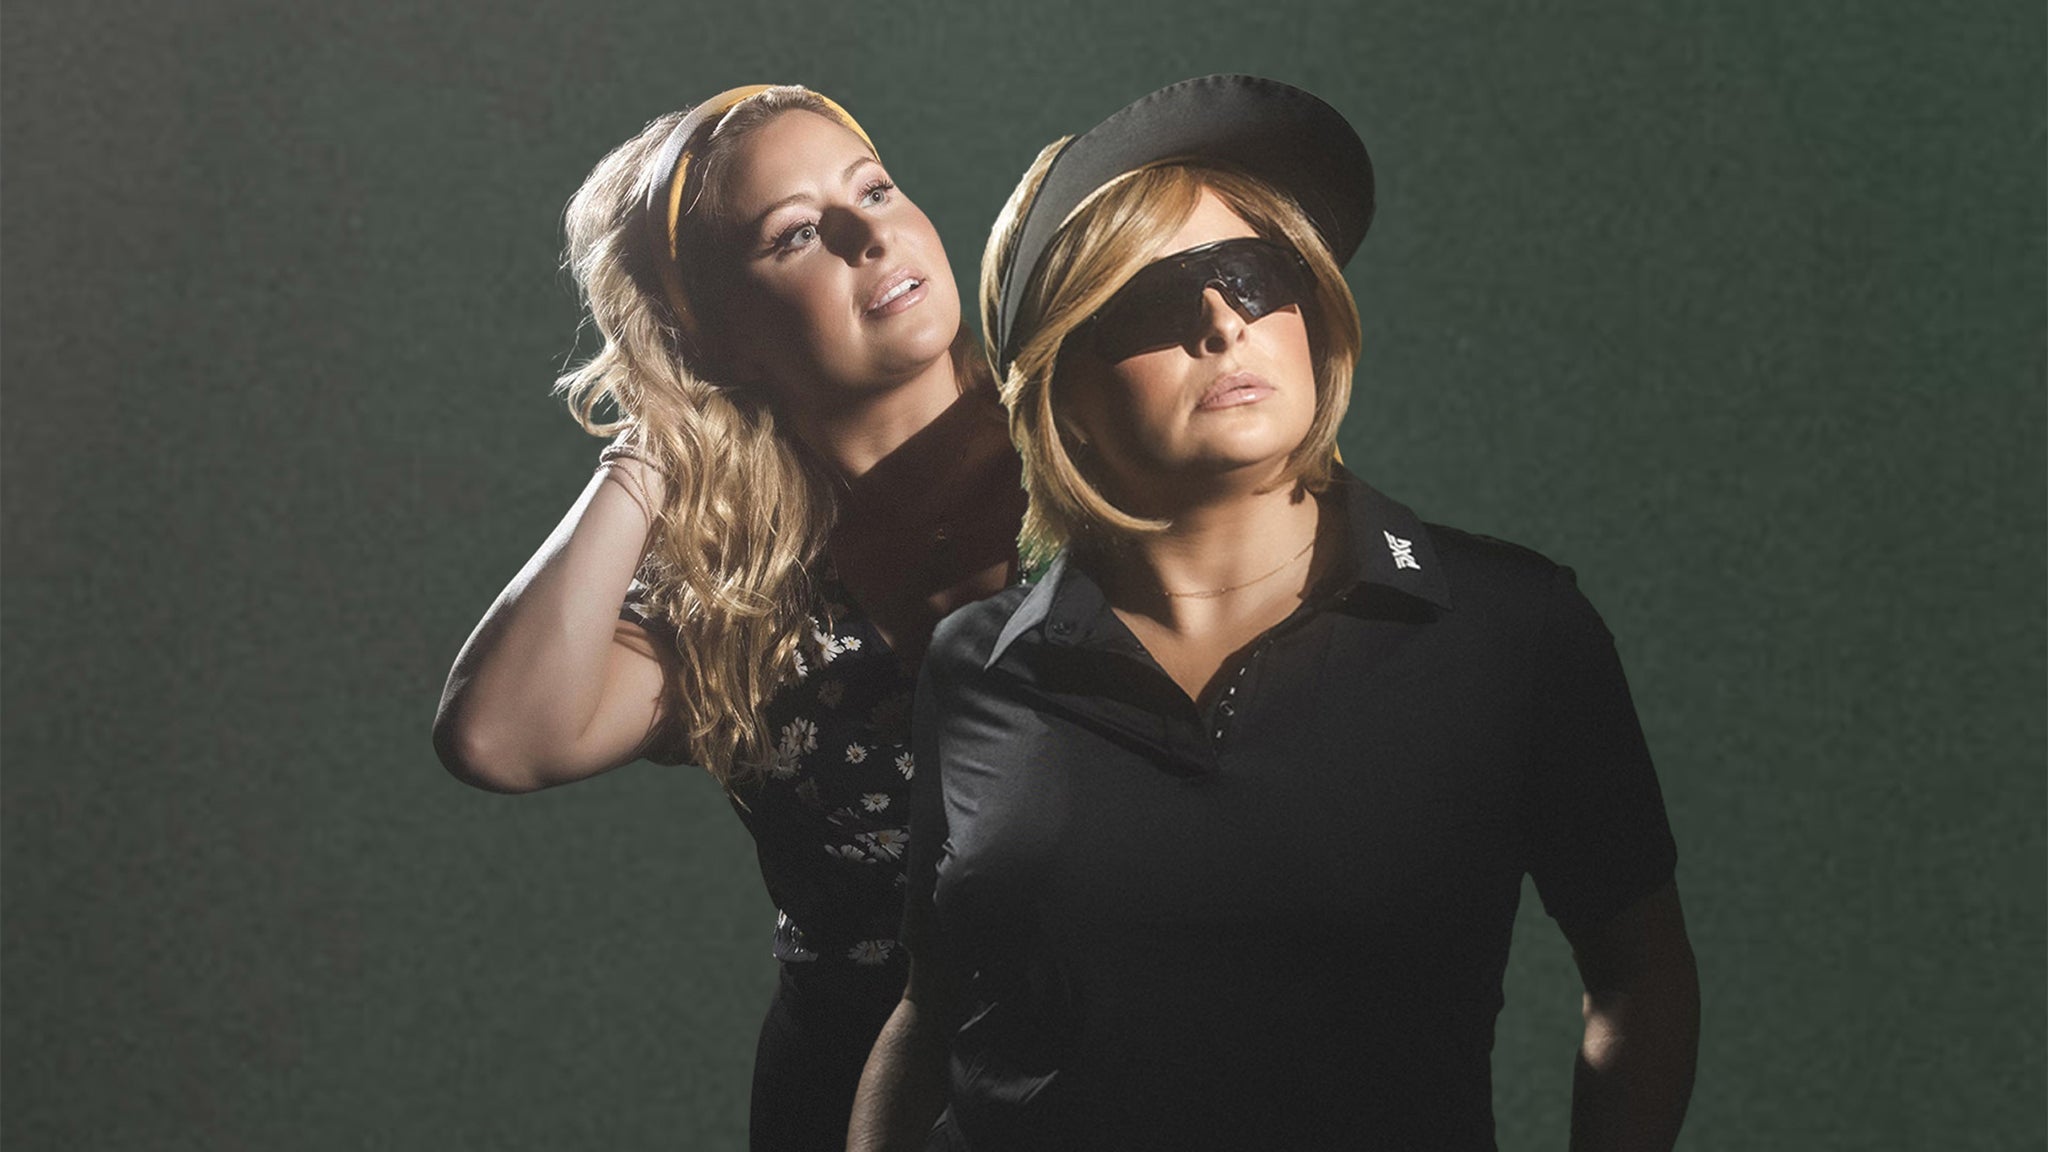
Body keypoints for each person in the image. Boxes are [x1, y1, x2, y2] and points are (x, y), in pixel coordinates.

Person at [850, 75, 1699, 1151]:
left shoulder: (1512, 628)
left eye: (1251, 277)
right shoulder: (974, 664)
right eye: (1152, 302)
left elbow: (1639, 974)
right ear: (1064, 390)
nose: (1222, 322)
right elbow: (930, 1011)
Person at [431, 84, 1025, 1151]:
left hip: (1135, 1064)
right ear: (716, 336)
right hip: (842, 1091)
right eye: (794, 234)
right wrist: (654, 436)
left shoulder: (1095, 458)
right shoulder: (732, 595)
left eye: (873, 189)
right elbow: (497, 738)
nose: (868, 234)